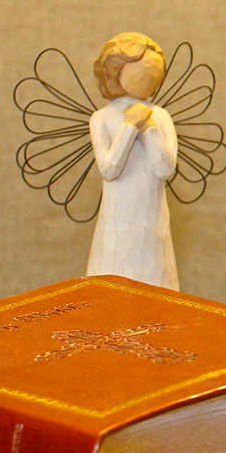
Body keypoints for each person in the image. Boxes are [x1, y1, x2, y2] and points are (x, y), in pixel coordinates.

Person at [85, 32, 179, 289]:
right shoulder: (101, 118)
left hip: (152, 216)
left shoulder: (160, 117)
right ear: (114, 71)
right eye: (144, 72)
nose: (151, 79)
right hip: (117, 216)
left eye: (155, 75)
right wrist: (129, 127)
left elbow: (165, 167)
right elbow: (109, 168)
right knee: (115, 268)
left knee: (154, 269)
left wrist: (149, 128)